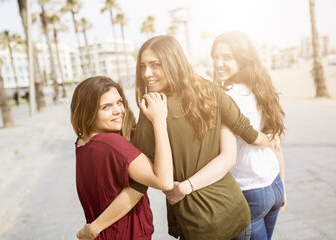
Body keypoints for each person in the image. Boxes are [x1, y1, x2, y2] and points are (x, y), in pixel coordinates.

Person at [133, 35, 273, 240]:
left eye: (155, 65)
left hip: (199, 224)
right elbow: (247, 133)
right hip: (235, 211)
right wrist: (270, 140)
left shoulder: (153, 108)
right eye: (142, 66)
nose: (146, 74)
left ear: (173, 63)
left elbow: (142, 170)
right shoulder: (211, 91)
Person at [70, 76, 173, 240]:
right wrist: (159, 121)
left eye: (119, 102)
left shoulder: (82, 144)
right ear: (87, 112)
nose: (118, 110)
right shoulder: (111, 143)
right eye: (106, 107)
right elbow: (164, 180)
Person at [211, 31, 287, 240]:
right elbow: (276, 143)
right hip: (273, 185)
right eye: (215, 56)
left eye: (226, 57)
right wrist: (282, 183)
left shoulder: (226, 96)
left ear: (242, 59)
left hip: (248, 192)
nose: (218, 63)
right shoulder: (262, 90)